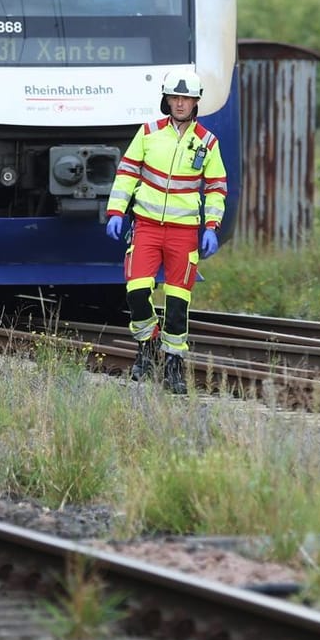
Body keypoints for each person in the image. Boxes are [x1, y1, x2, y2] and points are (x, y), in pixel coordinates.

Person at [104, 67, 228, 395]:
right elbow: (127, 173)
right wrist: (116, 211)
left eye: (186, 98)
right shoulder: (147, 132)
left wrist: (211, 227)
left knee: (177, 303)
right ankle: (147, 345)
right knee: (136, 292)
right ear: (166, 99)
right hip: (145, 227)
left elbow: (216, 187)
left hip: (184, 233)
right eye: (175, 97)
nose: (180, 103)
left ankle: (173, 364)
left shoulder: (207, 142)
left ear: (196, 102)